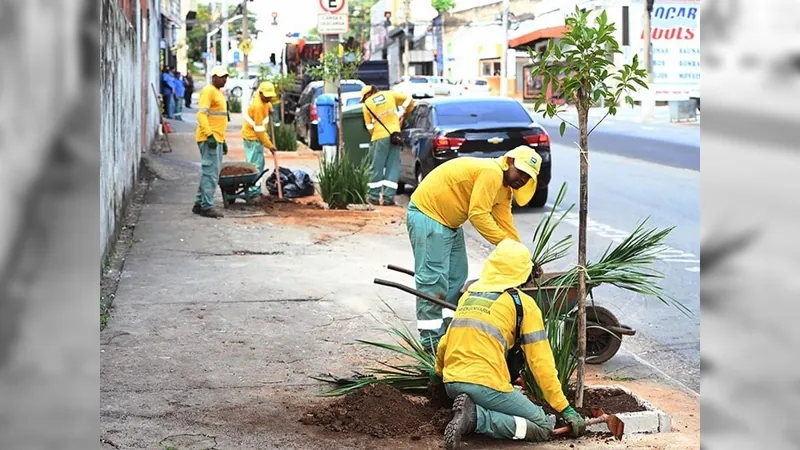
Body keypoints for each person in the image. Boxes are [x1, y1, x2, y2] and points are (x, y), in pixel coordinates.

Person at [433, 239, 587, 449]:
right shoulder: (523, 304)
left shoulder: (469, 296)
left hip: (452, 383)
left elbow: (445, 342)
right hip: (485, 385)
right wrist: (564, 408)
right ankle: (476, 419)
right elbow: (541, 363)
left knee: (493, 396)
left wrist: (438, 375)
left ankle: (470, 408)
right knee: (542, 426)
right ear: (523, 272)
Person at [407, 146, 541, 351]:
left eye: (527, 177)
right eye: (521, 172)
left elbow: (506, 225)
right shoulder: (492, 173)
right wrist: (506, 247)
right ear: (509, 162)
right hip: (429, 216)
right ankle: (431, 345)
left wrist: (522, 257)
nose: (522, 179)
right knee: (433, 281)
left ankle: (447, 337)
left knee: (456, 278)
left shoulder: (504, 190)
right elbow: (478, 215)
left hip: (450, 223)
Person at [360, 85, 414, 206]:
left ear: (367, 95)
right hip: (394, 136)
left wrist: (376, 133)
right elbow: (409, 100)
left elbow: (369, 127)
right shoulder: (390, 94)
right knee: (393, 166)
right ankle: (388, 198)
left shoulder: (367, 104)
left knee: (376, 166)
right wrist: (406, 112)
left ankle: (373, 196)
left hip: (379, 137)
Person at [192, 66, 229, 218]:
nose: (224, 79)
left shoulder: (217, 92)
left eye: (226, 77)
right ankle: (207, 207)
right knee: (211, 174)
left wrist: (222, 139)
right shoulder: (208, 91)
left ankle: (199, 203)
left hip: (216, 138)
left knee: (210, 172)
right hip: (209, 139)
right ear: (213, 77)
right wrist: (210, 135)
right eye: (221, 77)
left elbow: (218, 118)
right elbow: (201, 115)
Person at [242, 81, 278, 200]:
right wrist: (270, 145)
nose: (269, 99)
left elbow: (266, 103)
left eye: (270, 97)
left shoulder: (260, 96)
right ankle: (253, 191)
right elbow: (259, 131)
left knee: (257, 163)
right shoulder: (257, 107)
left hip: (253, 136)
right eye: (267, 97)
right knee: (255, 165)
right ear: (261, 93)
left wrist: (270, 108)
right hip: (254, 138)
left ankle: (254, 189)